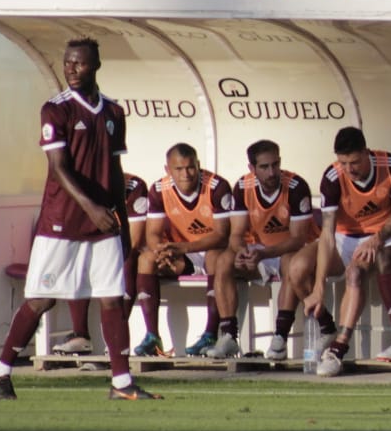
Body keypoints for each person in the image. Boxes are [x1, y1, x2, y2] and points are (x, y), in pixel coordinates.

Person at [0, 38, 158, 400]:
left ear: (96, 65)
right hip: (62, 222)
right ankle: (1, 371)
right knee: (41, 300)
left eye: (78, 63)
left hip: (103, 226)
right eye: (67, 63)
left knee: (112, 298)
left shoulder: (113, 112)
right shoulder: (56, 110)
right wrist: (92, 208)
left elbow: (114, 169)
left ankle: (121, 383)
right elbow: (59, 168)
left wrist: (121, 221)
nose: (71, 69)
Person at [303, 126, 391, 377]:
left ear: (366, 152)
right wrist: (319, 287)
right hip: (345, 238)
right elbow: (327, 233)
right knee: (297, 268)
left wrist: (377, 238)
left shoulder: (390, 164)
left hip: (385, 238)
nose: (349, 169)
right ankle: (324, 329)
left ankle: (338, 347)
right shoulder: (332, 176)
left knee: (354, 273)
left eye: (354, 162)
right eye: (343, 162)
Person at [133, 144, 238, 358]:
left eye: (190, 168)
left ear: (198, 165)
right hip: (180, 252)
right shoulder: (159, 190)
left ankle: (210, 334)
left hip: (210, 248)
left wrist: (184, 247)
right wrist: (161, 251)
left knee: (214, 259)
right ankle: (153, 337)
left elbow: (221, 235)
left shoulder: (216, 186)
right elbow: (152, 233)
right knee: (146, 260)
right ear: (167, 170)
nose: (186, 174)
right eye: (178, 169)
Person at [228, 140, 316, 362]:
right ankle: (226, 335)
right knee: (223, 262)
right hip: (261, 250)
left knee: (290, 261)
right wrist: (241, 252)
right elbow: (236, 234)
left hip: (293, 250)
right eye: (264, 167)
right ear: (252, 168)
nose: (272, 172)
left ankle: (280, 336)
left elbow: (298, 239)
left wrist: (262, 254)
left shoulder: (296, 186)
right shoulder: (242, 187)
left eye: (275, 165)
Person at [54, 171, 147, 354]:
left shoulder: (133, 186)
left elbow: (134, 240)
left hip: (121, 247)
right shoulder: (79, 187)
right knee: (77, 259)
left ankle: (114, 343)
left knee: (128, 257)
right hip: (94, 245)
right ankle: (80, 336)